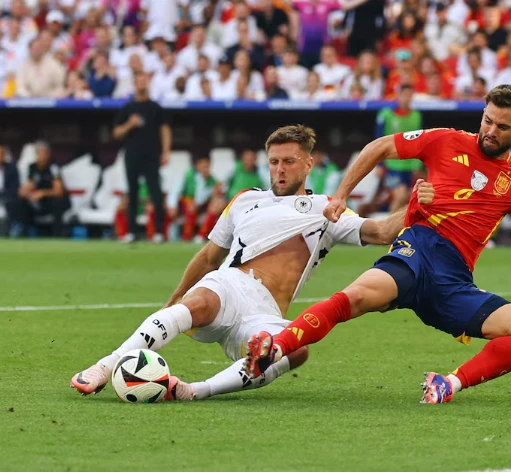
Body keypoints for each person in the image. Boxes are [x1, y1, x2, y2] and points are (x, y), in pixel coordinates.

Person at [244, 85, 511, 404]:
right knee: (359, 294)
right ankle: (274, 350)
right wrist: (342, 195)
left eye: (502, 127)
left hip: (454, 281)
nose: (490, 131)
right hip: (417, 250)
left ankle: (448, 384)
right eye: (487, 120)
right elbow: (380, 146)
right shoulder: (445, 140)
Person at [71, 124, 435, 401]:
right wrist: (174, 300)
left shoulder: (327, 209)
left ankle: (193, 391)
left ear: (308, 164)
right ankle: (107, 364)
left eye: (289, 162)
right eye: (274, 162)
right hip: (231, 285)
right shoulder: (246, 200)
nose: (279, 170)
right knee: (196, 303)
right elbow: (210, 256)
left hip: (265, 312)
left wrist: (419, 202)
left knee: (298, 348)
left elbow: (384, 232)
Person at [113, 71, 171, 243]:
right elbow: (116, 133)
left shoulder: (155, 108)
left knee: (156, 192)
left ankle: (160, 232)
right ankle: (131, 231)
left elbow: (165, 130)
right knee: (132, 192)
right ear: (134, 84)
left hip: (152, 155)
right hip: (132, 155)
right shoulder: (128, 108)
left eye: (144, 81)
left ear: (147, 83)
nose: (141, 84)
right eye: (138, 81)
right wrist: (129, 125)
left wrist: (166, 151)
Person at [375, 84, 424, 214]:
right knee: (400, 194)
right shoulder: (386, 114)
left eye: (410, 95)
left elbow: (418, 141)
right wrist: (379, 163)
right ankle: (386, 231)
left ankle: (398, 230)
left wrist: (417, 165)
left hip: (409, 164)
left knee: (408, 199)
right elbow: (378, 139)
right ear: (399, 95)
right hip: (392, 164)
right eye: (405, 95)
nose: (407, 98)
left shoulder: (416, 115)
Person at [17, 142, 71, 237]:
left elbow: (59, 191)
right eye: (39, 154)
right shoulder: (33, 167)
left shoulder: (53, 167)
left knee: (57, 202)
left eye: (44, 154)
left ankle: (57, 235)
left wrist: (42, 193)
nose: (42, 156)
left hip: (55, 200)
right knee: (22, 201)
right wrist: (25, 192)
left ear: (48, 155)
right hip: (42, 202)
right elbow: (31, 184)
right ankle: (23, 234)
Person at [166, 155, 224, 243]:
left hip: (200, 206)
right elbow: (175, 191)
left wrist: (215, 192)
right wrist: (172, 205)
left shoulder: (211, 179)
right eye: (203, 166)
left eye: (207, 166)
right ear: (197, 166)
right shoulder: (188, 175)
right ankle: (186, 236)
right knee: (191, 205)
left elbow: (203, 198)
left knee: (218, 203)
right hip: (185, 204)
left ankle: (200, 236)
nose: (206, 169)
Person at [0, 145, 19, 236]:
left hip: (6, 199)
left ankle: (7, 234)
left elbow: (14, 186)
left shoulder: (11, 168)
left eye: (2, 154)